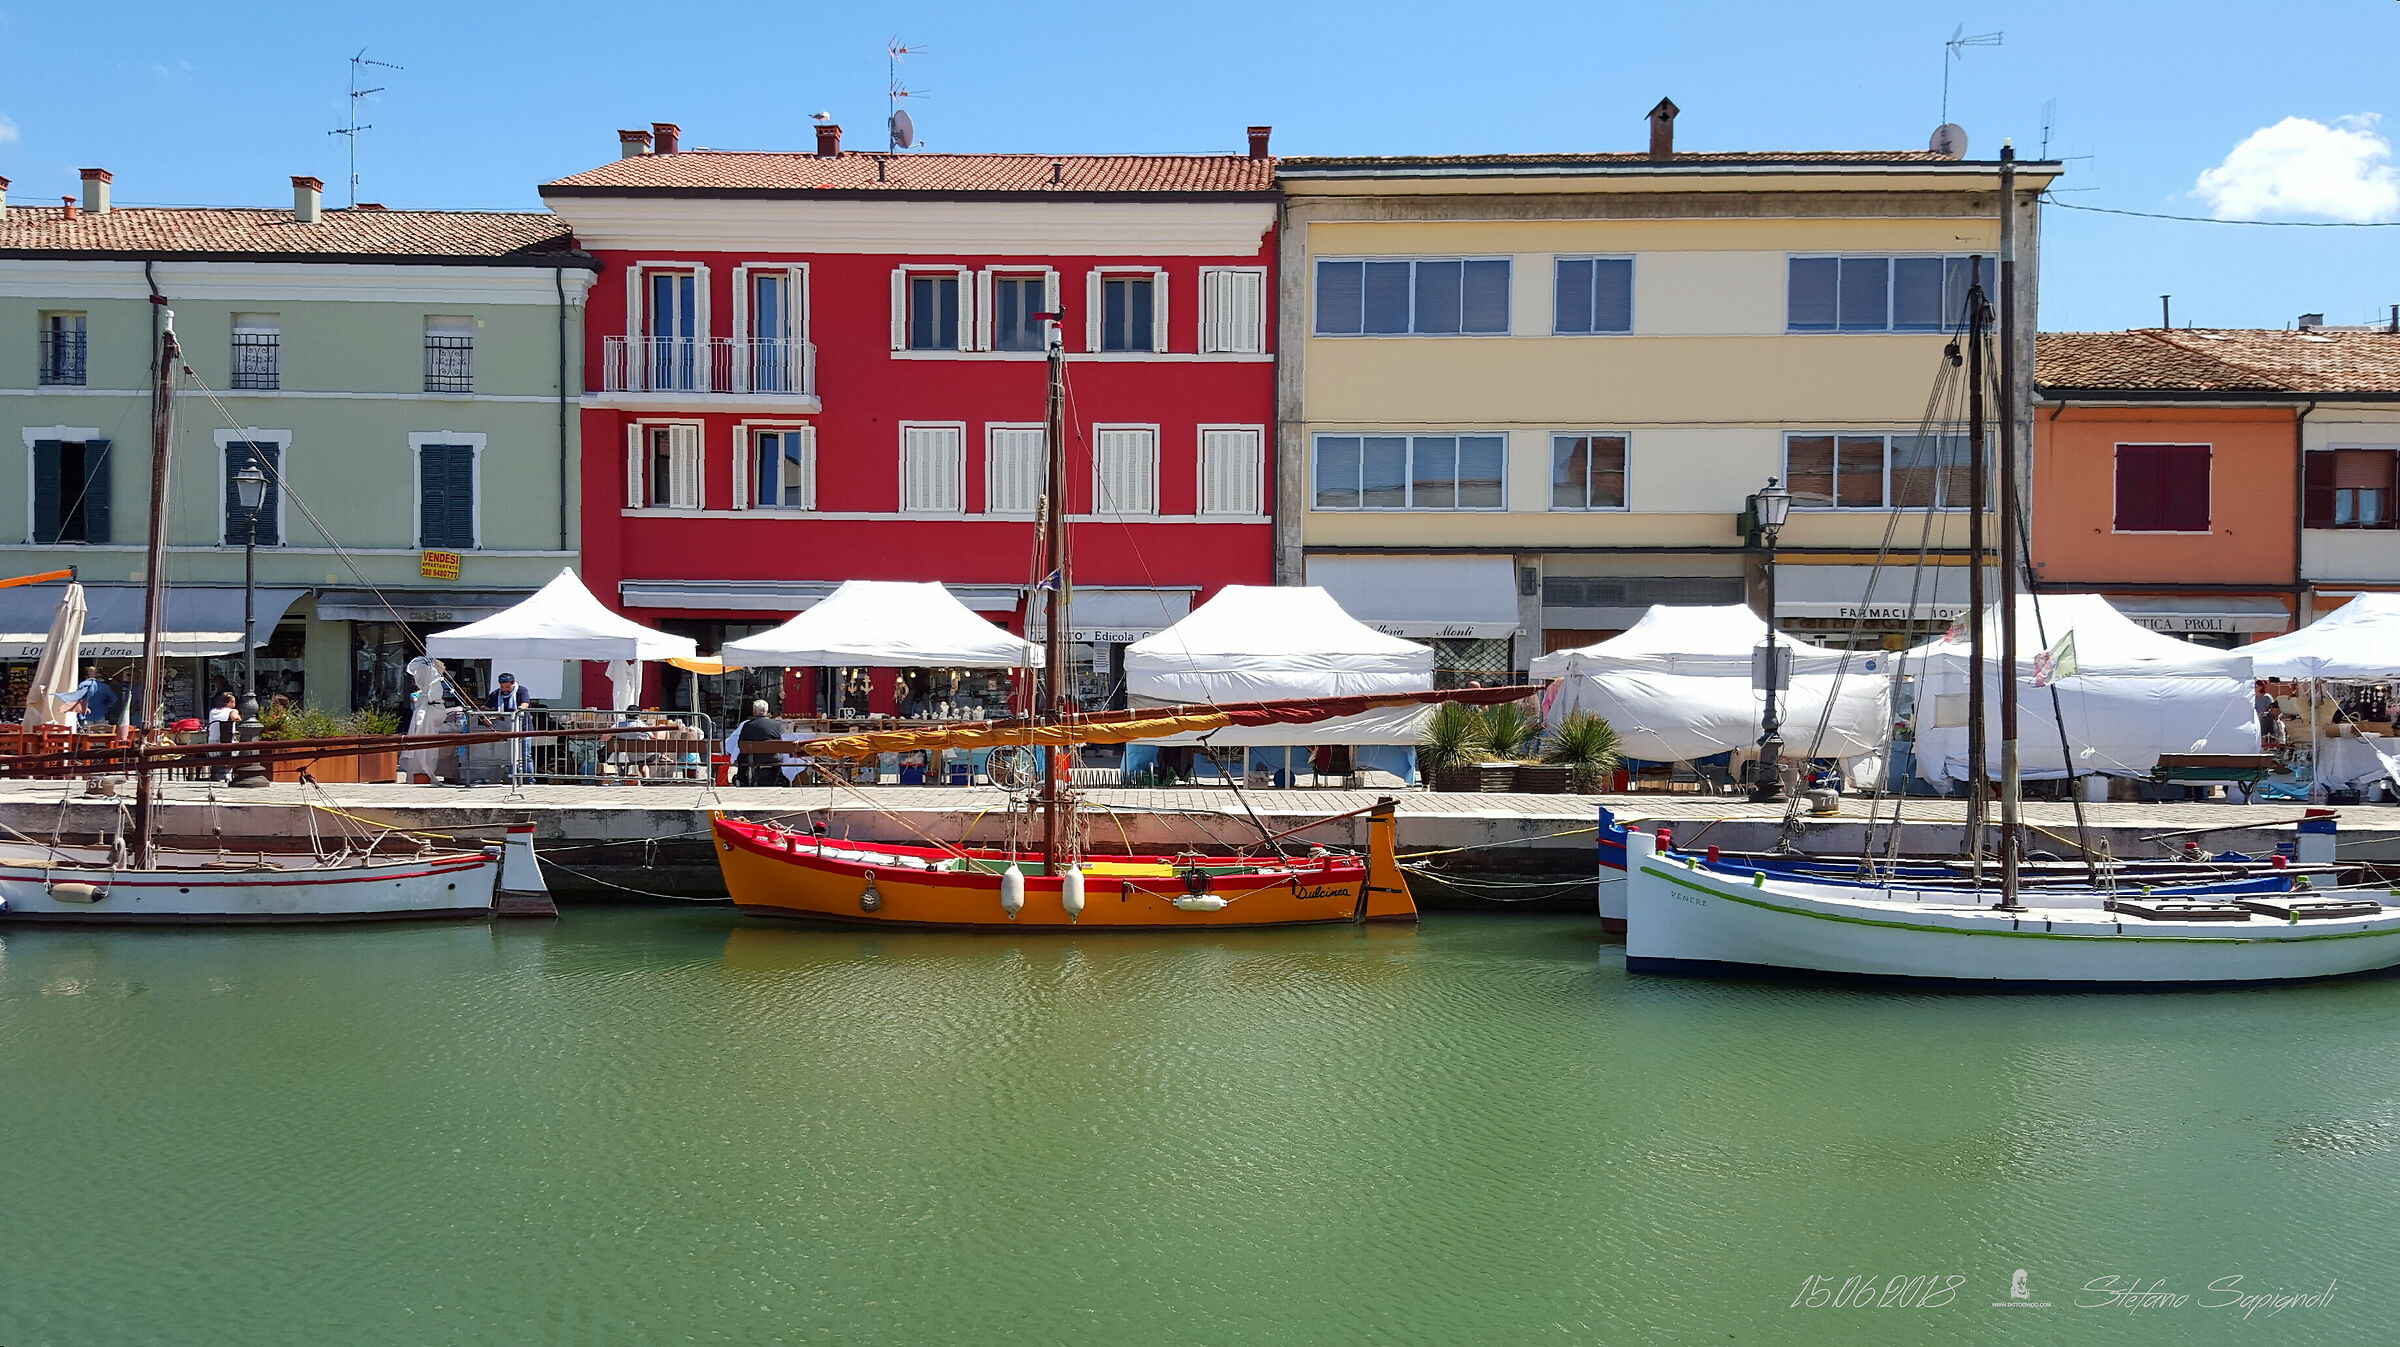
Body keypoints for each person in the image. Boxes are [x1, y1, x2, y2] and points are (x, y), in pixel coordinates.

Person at [734, 698, 791, 787]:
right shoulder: (776, 724)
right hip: (772, 758)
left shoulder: (747, 725)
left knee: (741, 757)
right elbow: (779, 740)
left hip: (752, 758)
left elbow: (740, 743)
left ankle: (743, 781)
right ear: (766, 711)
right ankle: (772, 782)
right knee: (778, 757)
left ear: (754, 711)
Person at [207, 692, 239, 783]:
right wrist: (236, 713)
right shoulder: (231, 711)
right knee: (242, 749)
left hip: (212, 747)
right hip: (227, 747)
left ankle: (219, 773)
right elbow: (236, 718)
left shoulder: (212, 711)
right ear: (230, 702)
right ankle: (229, 773)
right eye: (234, 702)